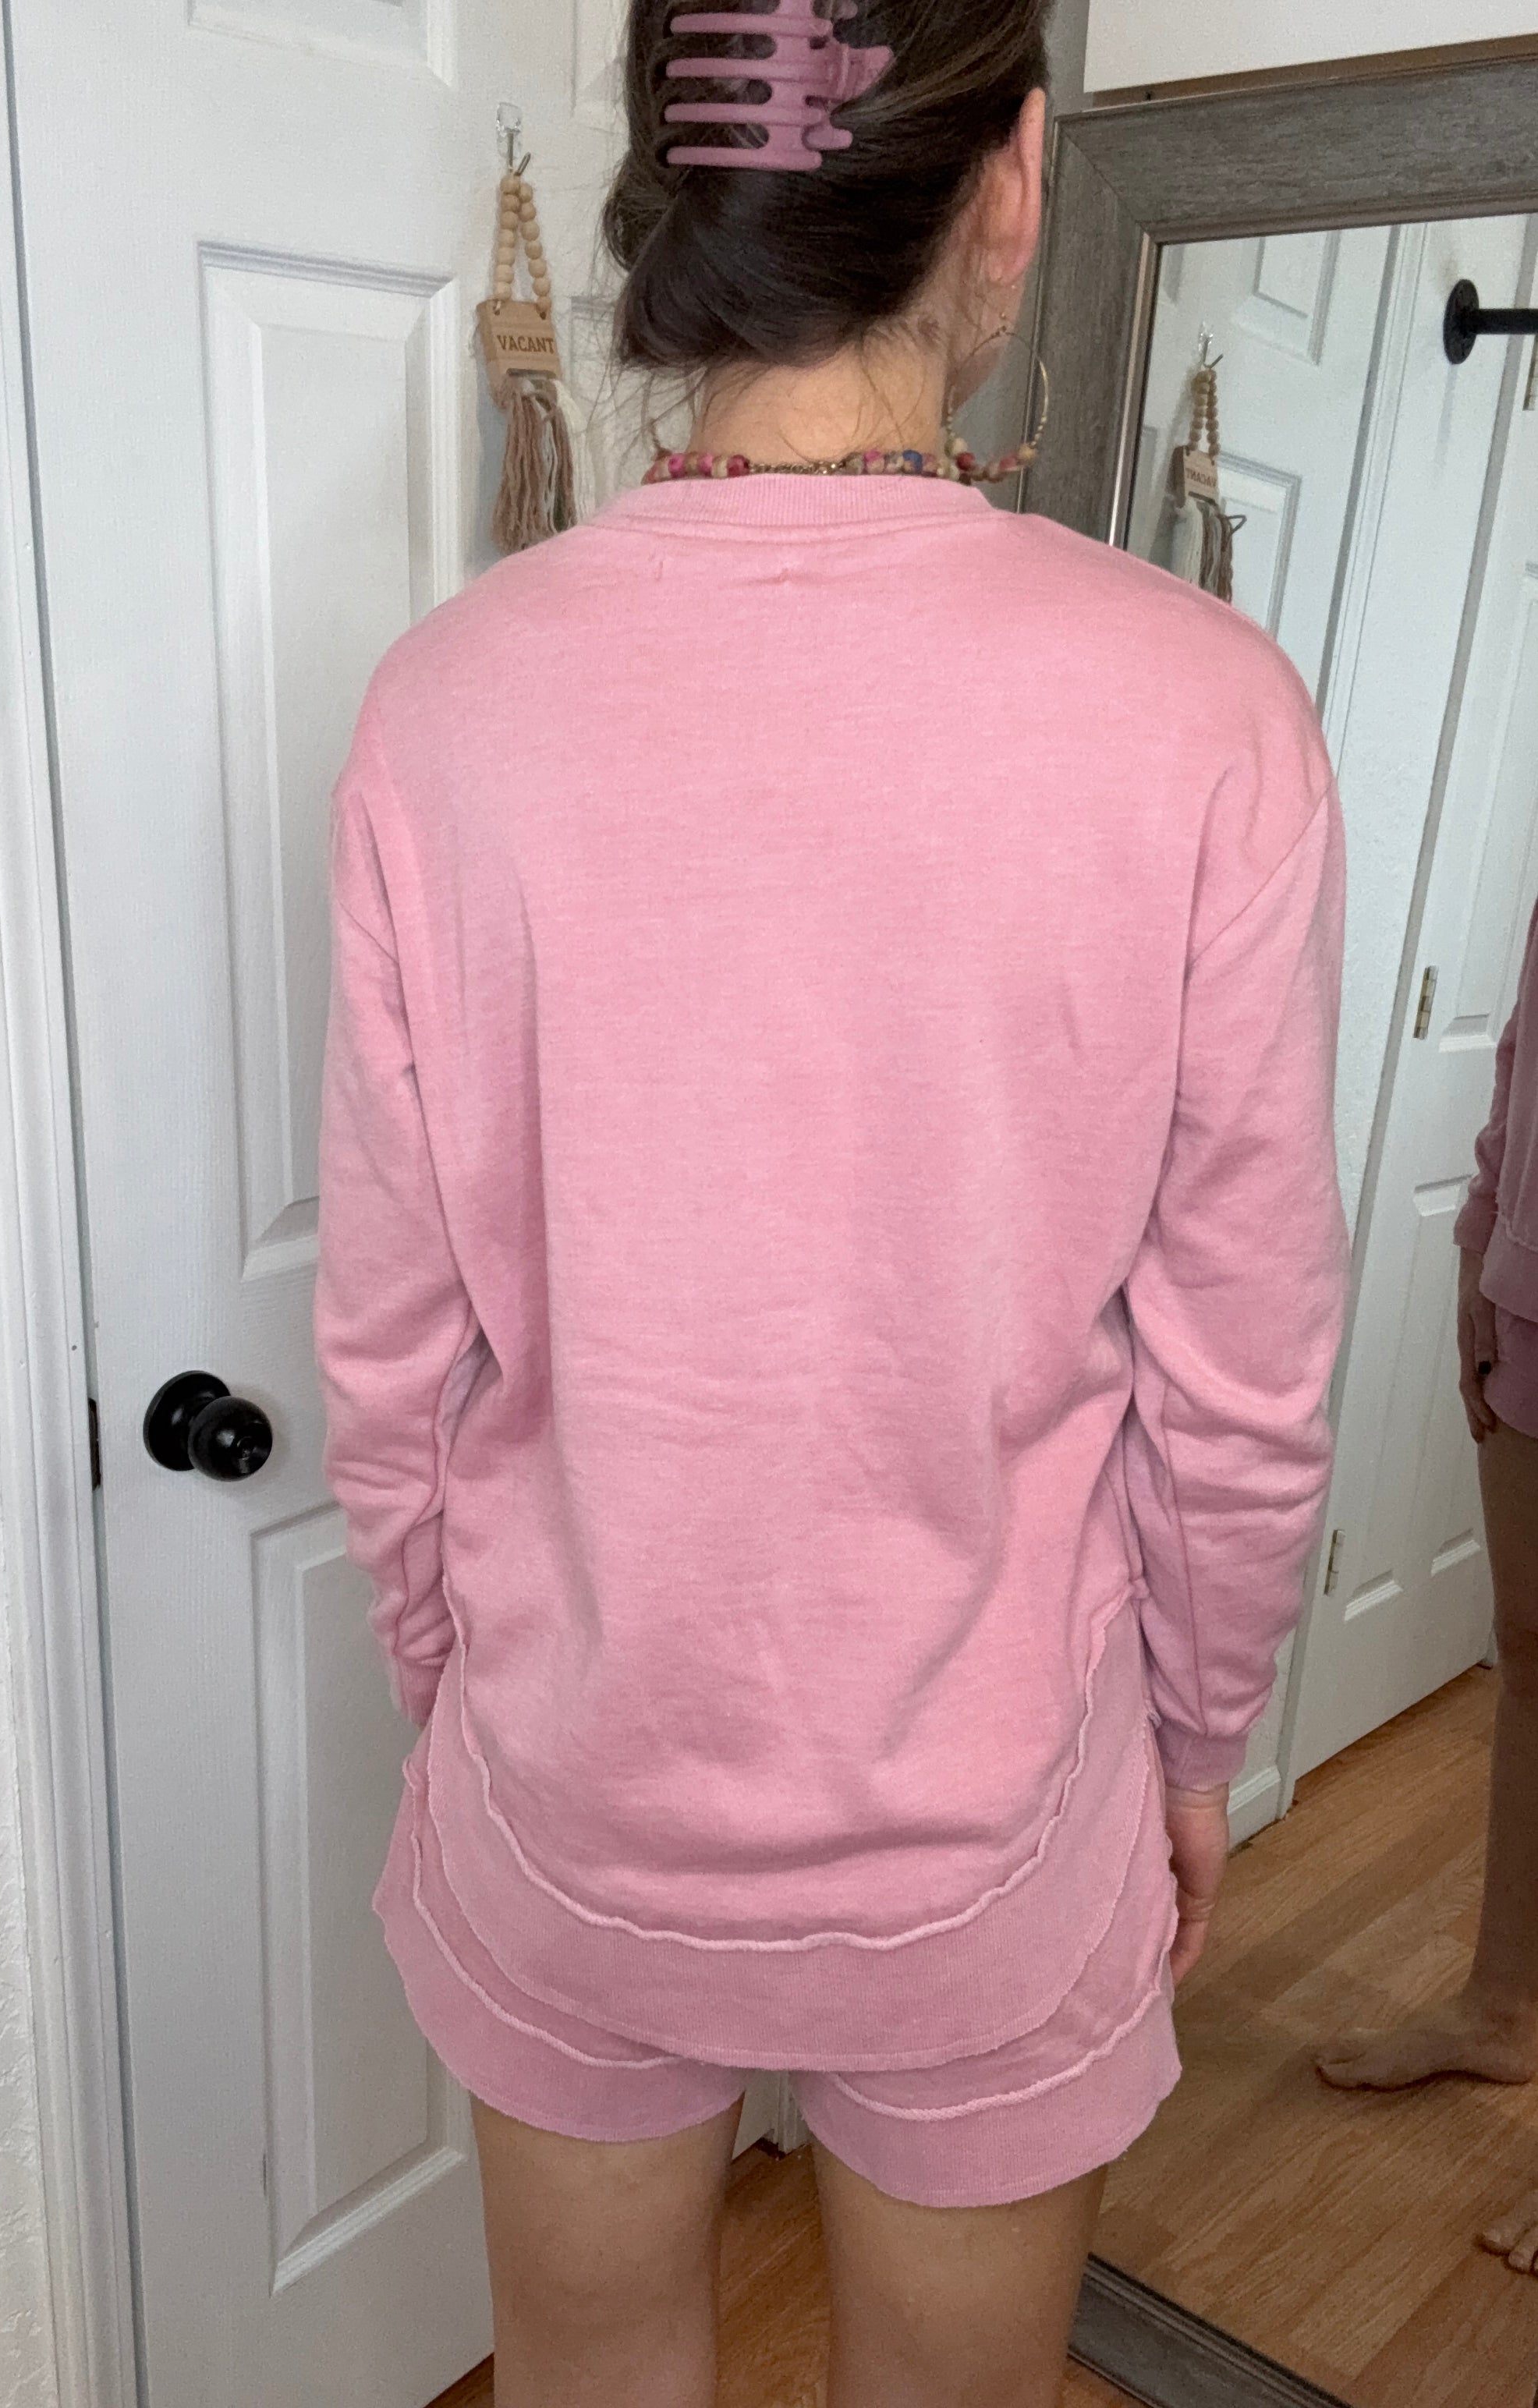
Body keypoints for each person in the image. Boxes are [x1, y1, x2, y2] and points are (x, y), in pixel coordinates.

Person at [314, 4, 1350, 2399]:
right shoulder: (1200, 709)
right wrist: (1197, 1740)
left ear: (675, 198)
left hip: (570, 1785)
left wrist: (459, 1692)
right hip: (993, 1825)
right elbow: (1240, 1379)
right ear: (1011, 179)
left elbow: (386, 1346)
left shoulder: (448, 707)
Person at [1317, 899, 1538, 2279]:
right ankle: (1503, 2011)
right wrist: (1479, 1228)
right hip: (1531, 1286)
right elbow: (1529, 1037)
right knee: (1531, 1654)